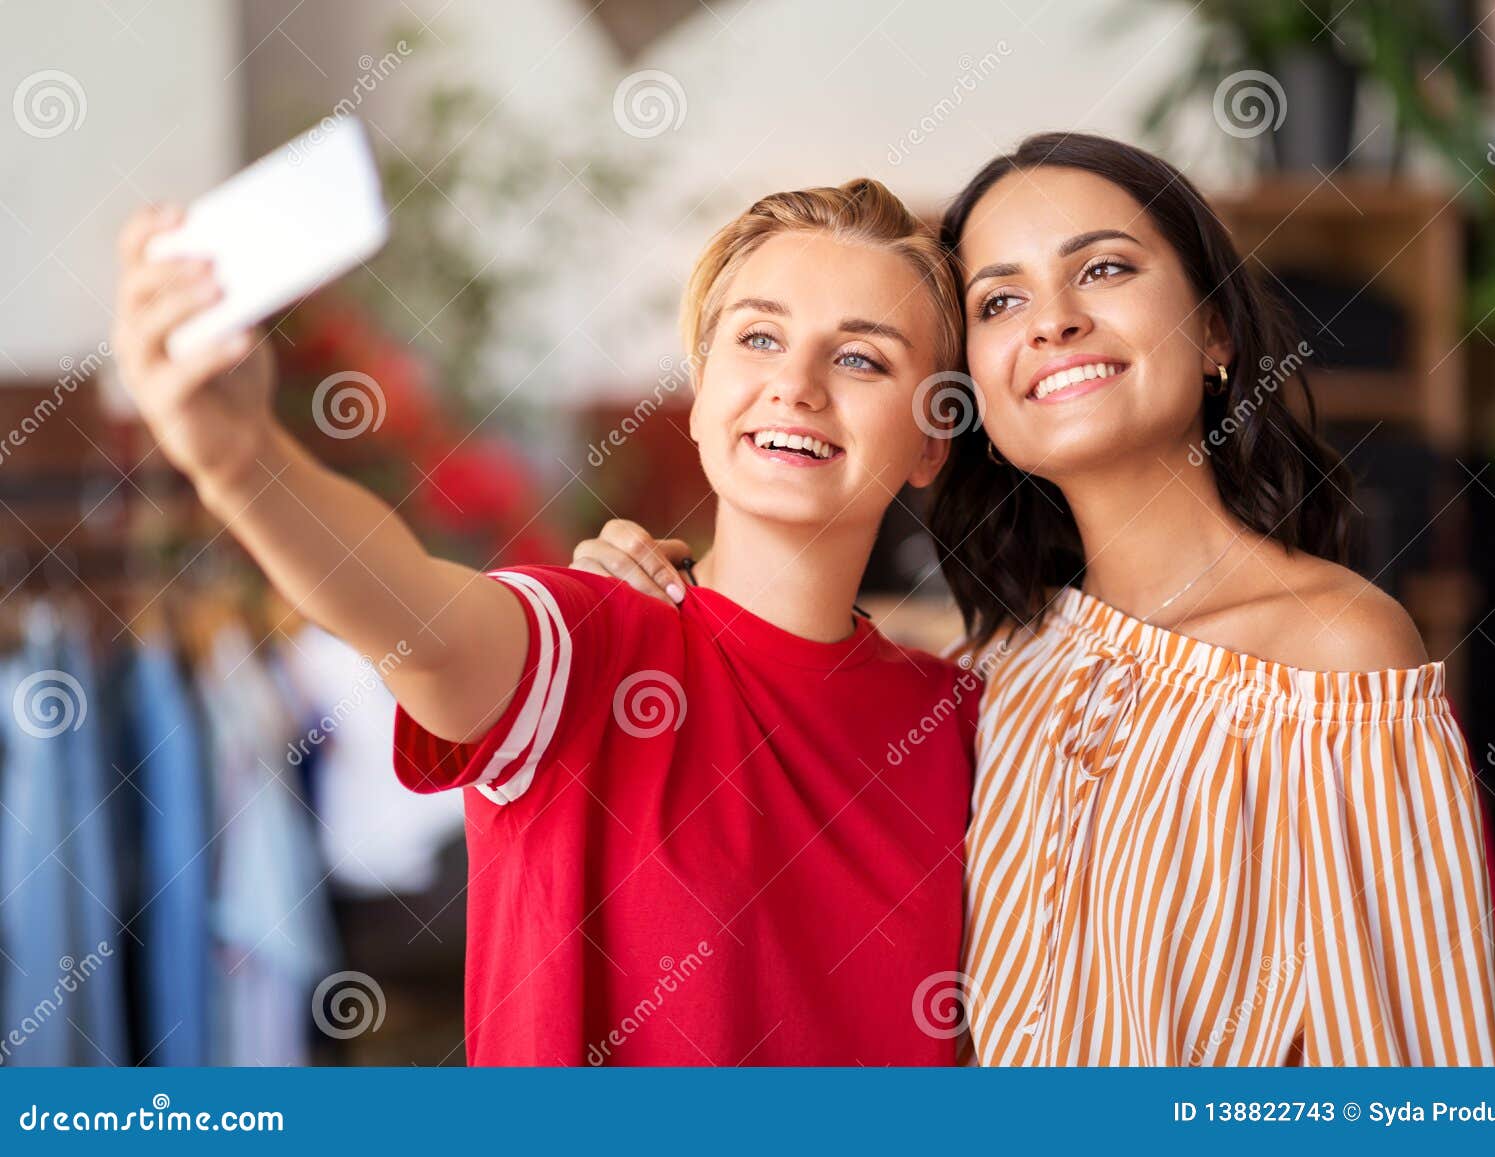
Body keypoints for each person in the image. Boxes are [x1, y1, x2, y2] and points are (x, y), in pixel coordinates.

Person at [578, 133, 1495, 1066]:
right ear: (967, 389)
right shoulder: (994, 670)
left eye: (1102, 268)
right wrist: (643, 609)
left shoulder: (1333, 658)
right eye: (1002, 300)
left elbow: (1432, 1080)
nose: (1052, 322)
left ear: (1216, 328)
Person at [110, 178, 977, 1065]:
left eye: (862, 358)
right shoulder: (591, 641)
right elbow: (411, 612)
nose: (795, 385)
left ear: (932, 436)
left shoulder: (967, 724)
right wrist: (243, 459)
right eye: (759, 337)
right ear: (704, 384)